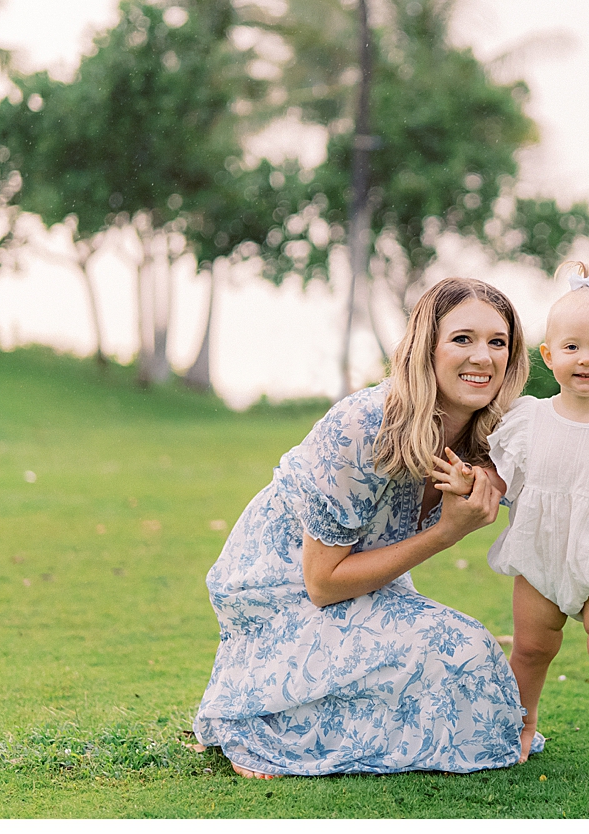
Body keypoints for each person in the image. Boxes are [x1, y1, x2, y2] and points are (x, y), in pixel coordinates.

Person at [193, 277, 541, 779]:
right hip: (284, 589)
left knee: (473, 665)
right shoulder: (364, 425)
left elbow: (568, 491)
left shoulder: (500, 434)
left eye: (497, 342)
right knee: (461, 648)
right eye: (462, 339)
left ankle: (337, 716)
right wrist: (446, 532)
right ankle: (260, 723)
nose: (482, 357)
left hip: (365, 585)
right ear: (428, 347)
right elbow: (322, 584)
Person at [438, 263, 589, 785]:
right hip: (541, 556)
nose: (586, 360)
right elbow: (501, 478)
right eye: (571, 347)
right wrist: (471, 482)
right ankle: (519, 731)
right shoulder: (527, 420)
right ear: (548, 355)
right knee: (530, 649)